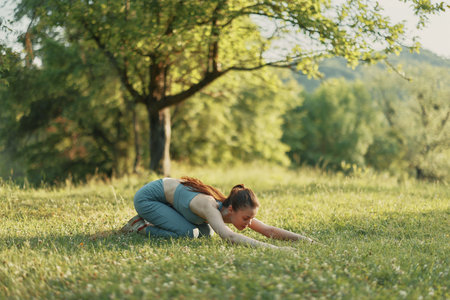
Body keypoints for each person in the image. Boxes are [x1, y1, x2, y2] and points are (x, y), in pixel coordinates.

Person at [121, 176, 316, 249]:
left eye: (251, 219)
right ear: (231, 209)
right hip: (150, 198)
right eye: (246, 218)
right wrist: (276, 249)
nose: (249, 223)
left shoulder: (231, 210)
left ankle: (153, 221)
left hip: (170, 199)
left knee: (206, 233)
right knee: (188, 234)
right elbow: (229, 236)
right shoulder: (209, 206)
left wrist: (307, 241)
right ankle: (139, 225)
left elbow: (269, 230)